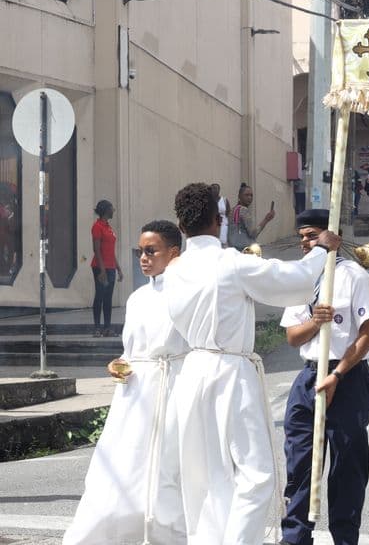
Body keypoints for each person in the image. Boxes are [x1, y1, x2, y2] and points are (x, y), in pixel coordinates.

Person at [164, 183, 341, 545]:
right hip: (228, 371)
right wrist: (322, 249)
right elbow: (295, 282)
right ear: (220, 220)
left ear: (181, 226)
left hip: (190, 372)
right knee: (257, 474)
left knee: (205, 477)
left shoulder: (174, 269)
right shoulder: (229, 263)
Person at [64, 220, 188, 545]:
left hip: (172, 385)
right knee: (124, 462)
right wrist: (119, 363)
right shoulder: (136, 298)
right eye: (139, 252)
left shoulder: (188, 294)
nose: (143, 258)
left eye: (151, 251)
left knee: (166, 465)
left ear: (173, 252)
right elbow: (131, 350)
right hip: (133, 393)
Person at [279, 209, 369, 545]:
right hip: (309, 378)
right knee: (300, 462)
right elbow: (293, 336)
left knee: (347, 465)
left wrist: (337, 373)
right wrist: (315, 321)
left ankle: (345, 537)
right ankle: (295, 536)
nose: (305, 243)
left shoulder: (354, 276)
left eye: (312, 236)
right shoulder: (301, 278)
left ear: (331, 236)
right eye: (302, 237)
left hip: (346, 377)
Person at [90, 200, 123, 338]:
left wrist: (118, 268)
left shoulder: (108, 227)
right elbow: (96, 249)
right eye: (111, 208)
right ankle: (97, 328)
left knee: (108, 298)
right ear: (105, 210)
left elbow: (110, 251)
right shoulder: (97, 226)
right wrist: (102, 270)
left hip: (110, 267)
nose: (113, 210)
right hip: (100, 267)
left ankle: (107, 328)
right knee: (100, 295)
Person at [228, 182, 276, 250]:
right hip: (245, 249)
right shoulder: (244, 210)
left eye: (251, 195)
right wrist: (266, 219)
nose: (249, 197)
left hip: (233, 248)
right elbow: (253, 234)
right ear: (239, 196)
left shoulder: (232, 210)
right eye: (246, 195)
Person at [212, 183, 231, 247]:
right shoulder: (209, 201)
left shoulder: (224, 200)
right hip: (213, 224)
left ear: (219, 190)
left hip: (223, 224)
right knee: (214, 242)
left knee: (223, 241)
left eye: (216, 188)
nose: (214, 190)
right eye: (212, 188)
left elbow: (228, 212)